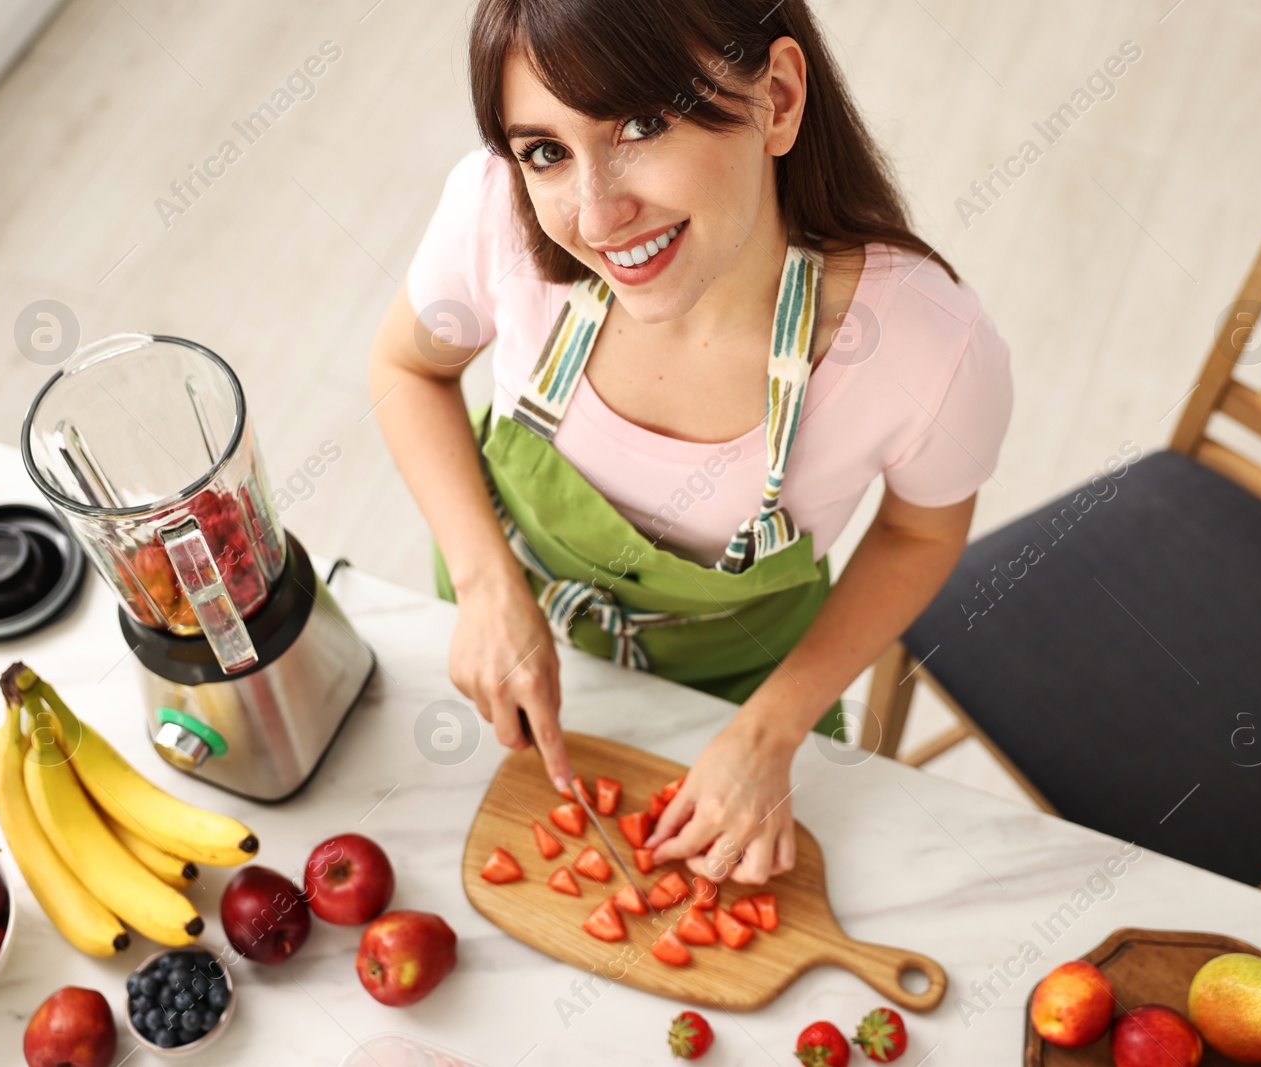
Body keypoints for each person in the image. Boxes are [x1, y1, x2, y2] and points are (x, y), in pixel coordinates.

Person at [369, 0, 1012, 886]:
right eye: (546, 151)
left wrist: (771, 729)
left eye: (640, 123)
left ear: (779, 99)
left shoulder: (927, 346)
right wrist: (483, 584)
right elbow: (409, 370)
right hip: (499, 640)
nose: (598, 217)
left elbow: (918, 533)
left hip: (745, 701)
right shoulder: (493, 214)